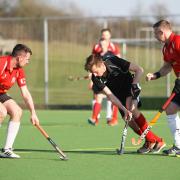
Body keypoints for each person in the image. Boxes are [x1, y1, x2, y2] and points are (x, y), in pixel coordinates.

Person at [84, 52, 166, 154]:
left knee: (131, 108)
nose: (94, 74)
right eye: (92, 72)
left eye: (95, 71)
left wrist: (135, 85)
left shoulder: (113, 61)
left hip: (130, 87)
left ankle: (154, 141)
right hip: (118, 95)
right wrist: (123, 110)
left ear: (101, 64)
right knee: (128, 120)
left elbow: (139, 69)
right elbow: (111, 96)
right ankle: (153, 140)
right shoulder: (95, 78)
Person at [146, 20, 180, 156]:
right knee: (170, 109)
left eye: (156, 33)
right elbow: (167, 66)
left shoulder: (177, 41)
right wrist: (156, 75)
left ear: (162, 32)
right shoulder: (166, 48)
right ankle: (178, 145)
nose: (155, 37)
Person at [0, 44, 40, 158]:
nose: (28, 62)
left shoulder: (19, 70)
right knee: (1, 111)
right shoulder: (2, 63)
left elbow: (25, 93)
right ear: (19, 58)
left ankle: (7, 149)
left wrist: (33, 113)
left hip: (1, 93)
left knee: (17, 111)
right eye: (27, 59)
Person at [89, 28, 120, 126]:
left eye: (106, 35)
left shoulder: (114, 48)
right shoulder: (96, 48)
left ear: (109, 36)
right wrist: (91, 76)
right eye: (103, 35)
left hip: (111, 77)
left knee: (112, 97)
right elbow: (92, 63)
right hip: (100, 77)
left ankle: (113, 119)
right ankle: (95, 119)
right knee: (98, 96)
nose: (104, 37)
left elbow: (119, 62)